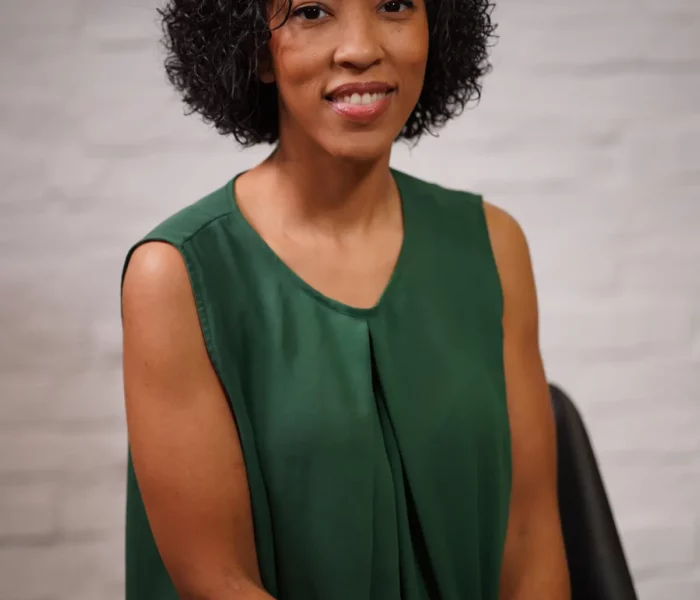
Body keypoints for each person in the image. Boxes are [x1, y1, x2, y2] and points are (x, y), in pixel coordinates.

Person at [120, 0, 571, 598]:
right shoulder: (177, 274)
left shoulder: (493, 245)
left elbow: (531, 541)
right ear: (257, 50)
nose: (360, 47)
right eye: (311, 11)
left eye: (393, 4)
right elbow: (219, 583)